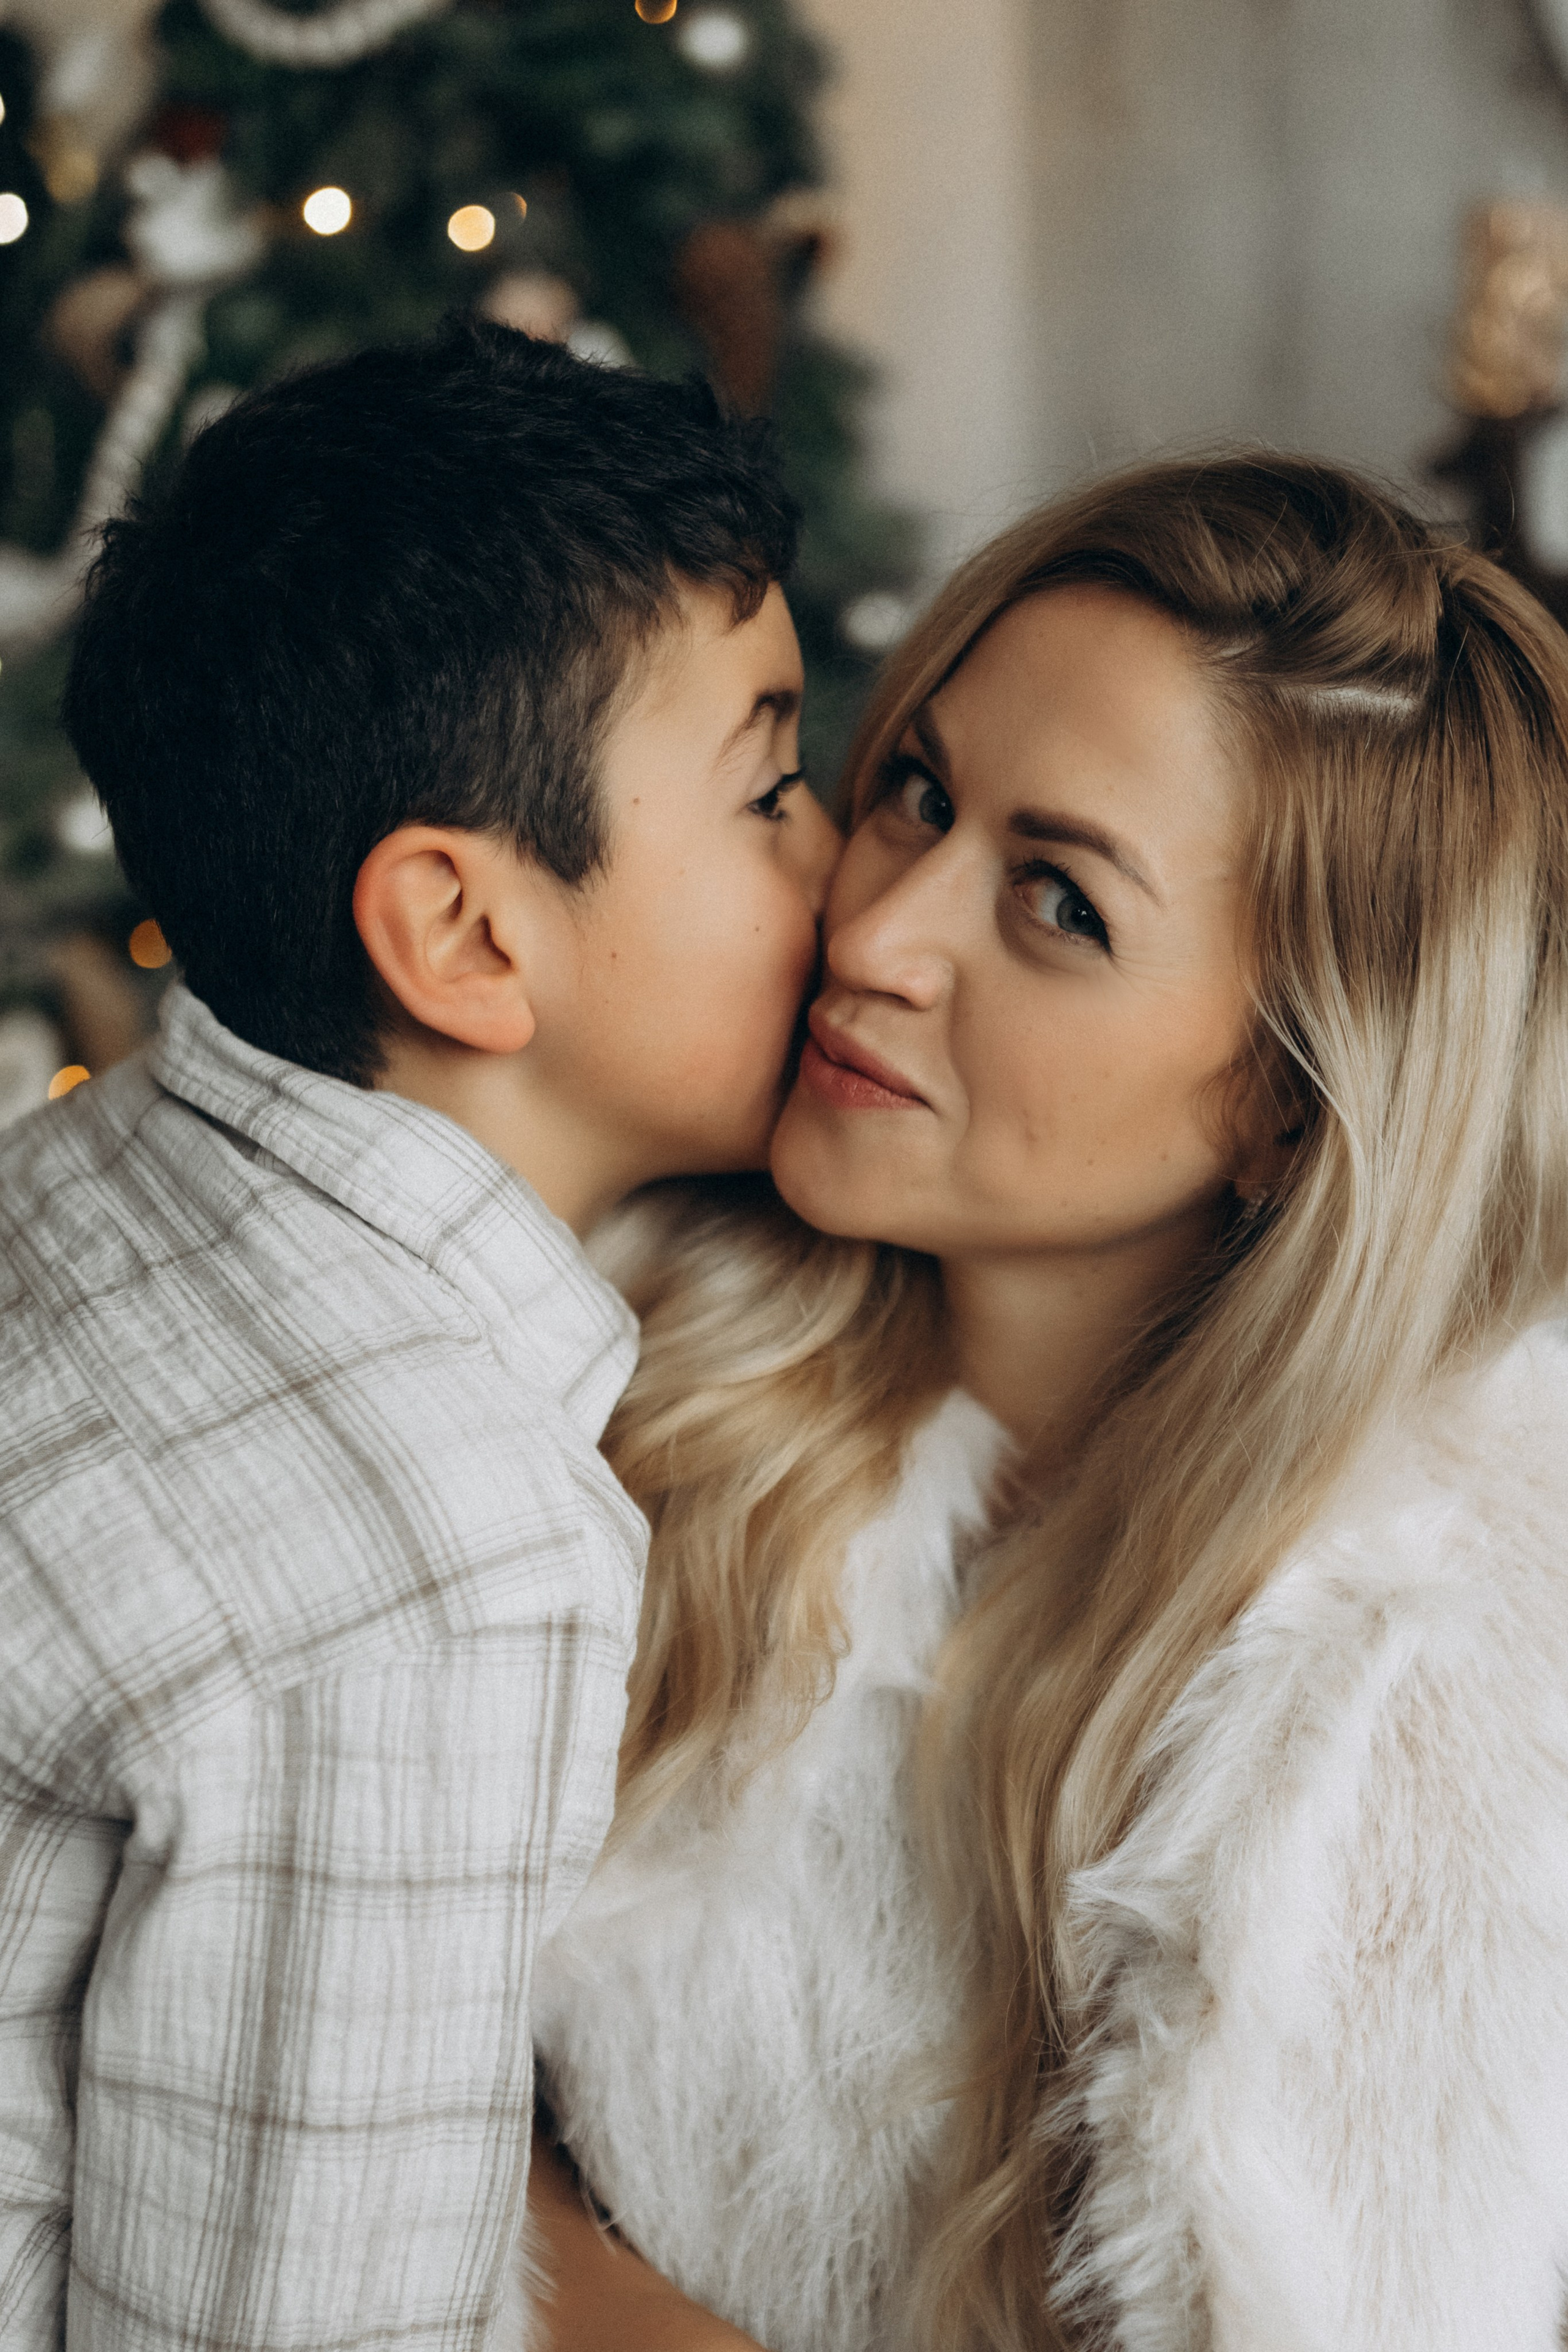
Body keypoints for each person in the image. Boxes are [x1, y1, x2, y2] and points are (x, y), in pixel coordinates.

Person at [524, 454, 1568, 2352]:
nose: (878, 933)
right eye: (915, 790)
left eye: (1057, 905)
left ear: (1285, 1100)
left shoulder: (1431, 1676)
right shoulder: (593, 1344)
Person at [0, 321, 836, 2350]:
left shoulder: (99, 1166)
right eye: (778, 790)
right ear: (469, 935)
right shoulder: (441, 1557)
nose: (854, 879)